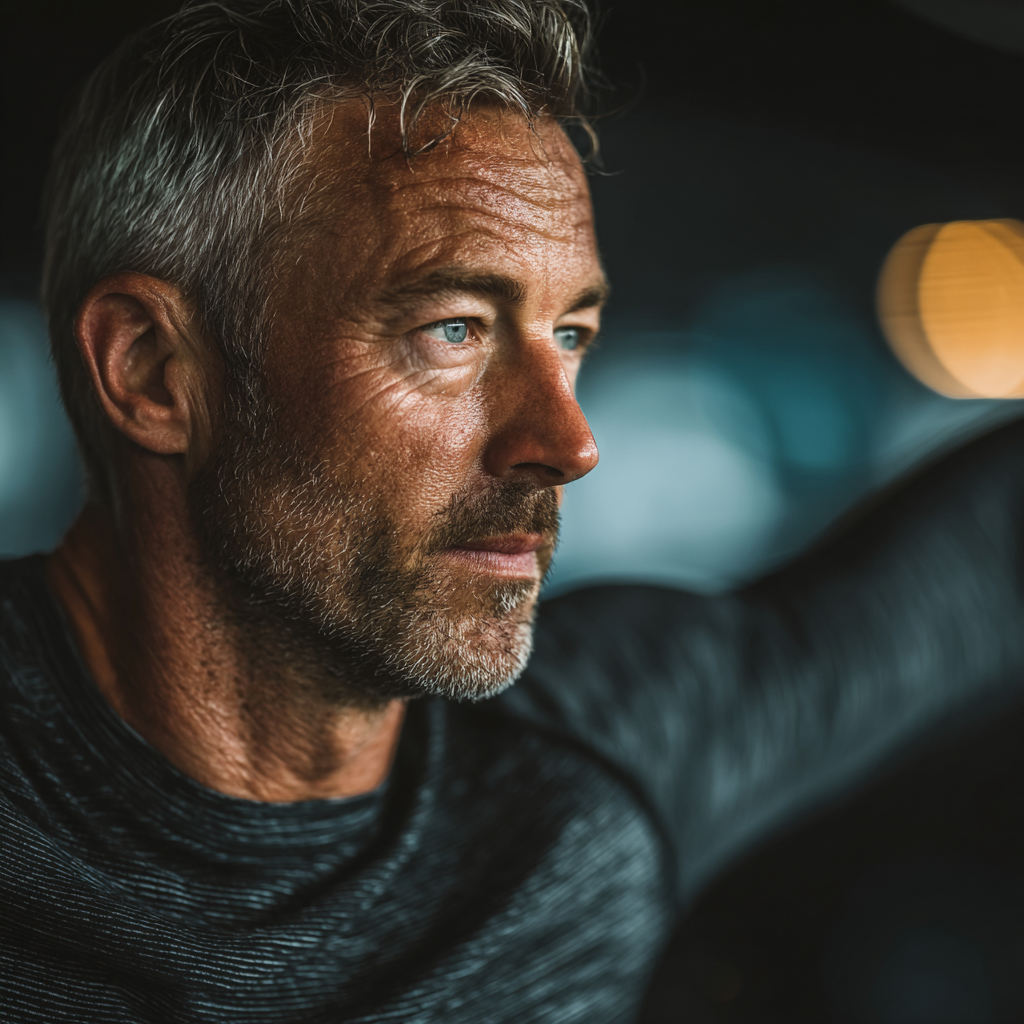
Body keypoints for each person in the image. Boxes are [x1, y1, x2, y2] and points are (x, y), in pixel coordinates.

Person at [2, 1, 1023, 1021]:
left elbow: (981, 559)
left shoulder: (583, 775)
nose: (570, 444)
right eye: (453, 329)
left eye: (569, 335)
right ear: (152, 370)